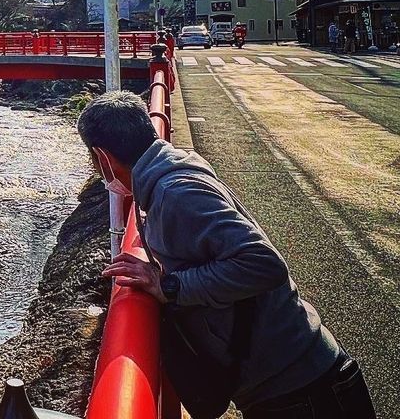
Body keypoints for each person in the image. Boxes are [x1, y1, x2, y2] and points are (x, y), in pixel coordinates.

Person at [77, 91, 376, 419]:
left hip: (304, 391)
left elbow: (264, 264)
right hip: (291, 384)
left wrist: (171, 287)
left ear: (103, 158)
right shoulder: (170, 174)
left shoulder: (176, 193)